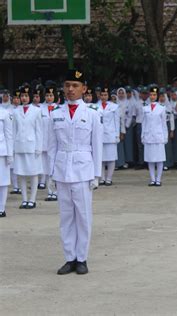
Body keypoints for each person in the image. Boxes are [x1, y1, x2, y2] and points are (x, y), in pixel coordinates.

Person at [48, 68, 103, 275]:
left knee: (83, 216)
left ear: (84, 89)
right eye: (68, 85)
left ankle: (82, 258)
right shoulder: (55, 115)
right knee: (66, 217)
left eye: (75, 86)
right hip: (62, 169)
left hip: (82, 170)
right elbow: (51, 146)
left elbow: (97, 146)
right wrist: (50, 174)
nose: (70, 89)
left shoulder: (91, 115)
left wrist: (96, 175)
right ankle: (69, 257)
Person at [12, 85, 43, 209]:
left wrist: (38, 147)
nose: (24, 98)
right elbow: (14, 131)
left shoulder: (36, 111)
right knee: (21, 173)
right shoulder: (15, 111)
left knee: (33, 173)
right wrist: (13, 148)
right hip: (19, 146)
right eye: (22, 96)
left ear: (30, 97)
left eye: (26, 96)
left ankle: (32, 199)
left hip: (32, 146)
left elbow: (39, 131)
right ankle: (24, 199)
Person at [142, 86, 168, 186]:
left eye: (154, 95)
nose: (152, 96)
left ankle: (158, 179)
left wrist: (165, 136)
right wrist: (142, 136)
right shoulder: (145, 108)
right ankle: (152, 179)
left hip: (158, 136)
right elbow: (144, 123)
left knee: (159, 158)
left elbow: (164, 124)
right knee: (150, 159)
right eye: (151, 95)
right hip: (148, 136)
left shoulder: (162, 108)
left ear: (157, 96)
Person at [98, 87, 120, 186]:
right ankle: (102, 178)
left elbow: (117, 121)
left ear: (108, 96)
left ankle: (109, 178)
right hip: (99, 134)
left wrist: (117, 135)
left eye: (105, 95)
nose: (103, 97)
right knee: (100, 158)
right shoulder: (95, 106)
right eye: (102, 95)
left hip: (111, 134)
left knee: (111, 158)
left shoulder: (114, 106)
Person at [40, 86, 58, 201]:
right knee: (46, 169)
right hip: (44, 142)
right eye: (47, 95)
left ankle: (55, 191)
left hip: (55, 142)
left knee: (55, 168)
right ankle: (49, 191)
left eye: (51, 95)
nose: (49, 97)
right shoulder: (39, 109)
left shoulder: (59, 108)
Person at [0, 101, 13, 217]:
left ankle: (1, 208)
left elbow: (9, 135)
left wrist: (10, 154)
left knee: (3, 182)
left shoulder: (4, 113)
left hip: (1, 152)